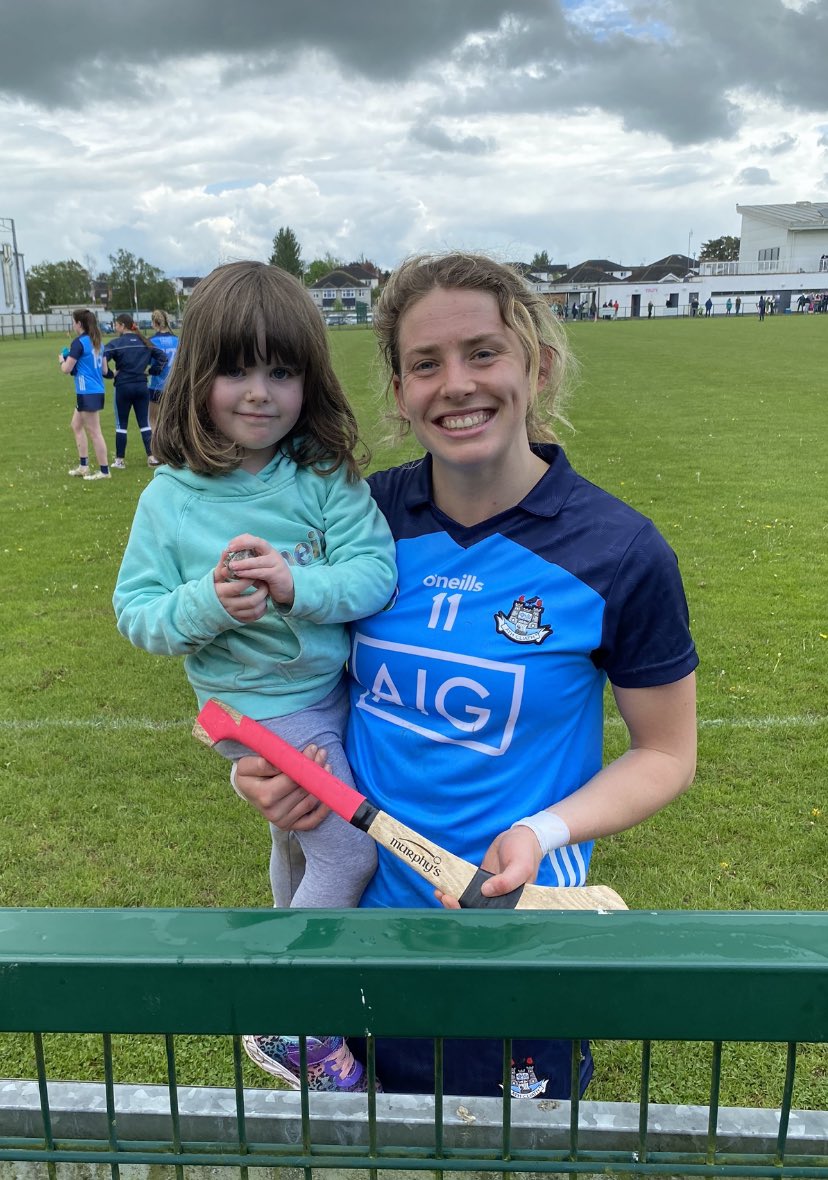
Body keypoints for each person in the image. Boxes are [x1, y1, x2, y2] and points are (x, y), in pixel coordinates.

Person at [232, 251, 699, 1100]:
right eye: (425, 364)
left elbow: (666, 753)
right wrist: (271, 772)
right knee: (366, 1155)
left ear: (538, 364)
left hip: (508, 934)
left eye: (483, 352)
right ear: (401, 392)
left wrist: (543, 833)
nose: (456, 384)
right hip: (360, 936)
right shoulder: (361, 520)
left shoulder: (620, 552)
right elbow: (305, 683)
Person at [113, 260, 397, 1093]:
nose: (259, 392)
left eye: (283, 370)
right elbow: (137, 613)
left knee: (295, 840)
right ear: (197, 375)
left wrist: (297, 585)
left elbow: (374, 573)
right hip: (258, 712)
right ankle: (288, 1020)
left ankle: (292, 961)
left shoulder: (321, 478)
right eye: (237, 369)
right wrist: (205, 603)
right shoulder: (169, 500)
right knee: (347, 857)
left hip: (333, 694)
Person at [103, 314, 167, 469]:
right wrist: (152, 371)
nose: (115, 327)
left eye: (116, 325)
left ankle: (119, 461)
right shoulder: (145, 342)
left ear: (122, 326)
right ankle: (151, 457)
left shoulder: (116, 343)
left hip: (123, 387)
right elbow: (163, 358)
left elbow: (101, 357)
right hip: (141, 386)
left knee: (121, 424)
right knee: (144, 423)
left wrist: (110, 374)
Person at [59, 308, 111, 481]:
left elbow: (67, 369)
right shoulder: (98, 342)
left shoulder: (79, 343)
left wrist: (62, 359)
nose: (73, 325)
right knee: (76, 425)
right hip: (94, 390)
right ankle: (84, 466)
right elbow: (104, 370)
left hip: (87, 391)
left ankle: (104, 471)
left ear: (79, 324)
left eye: (73, 322)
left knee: (95, 432)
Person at [147, 309, 179, 466]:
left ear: (155, 323)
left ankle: (157, 454)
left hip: (157, 385)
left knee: (154, 420)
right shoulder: (178, 340)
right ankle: (175, 451)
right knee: (172, 419)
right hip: (174, 386)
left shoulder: (151, 341)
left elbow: (146, 363)